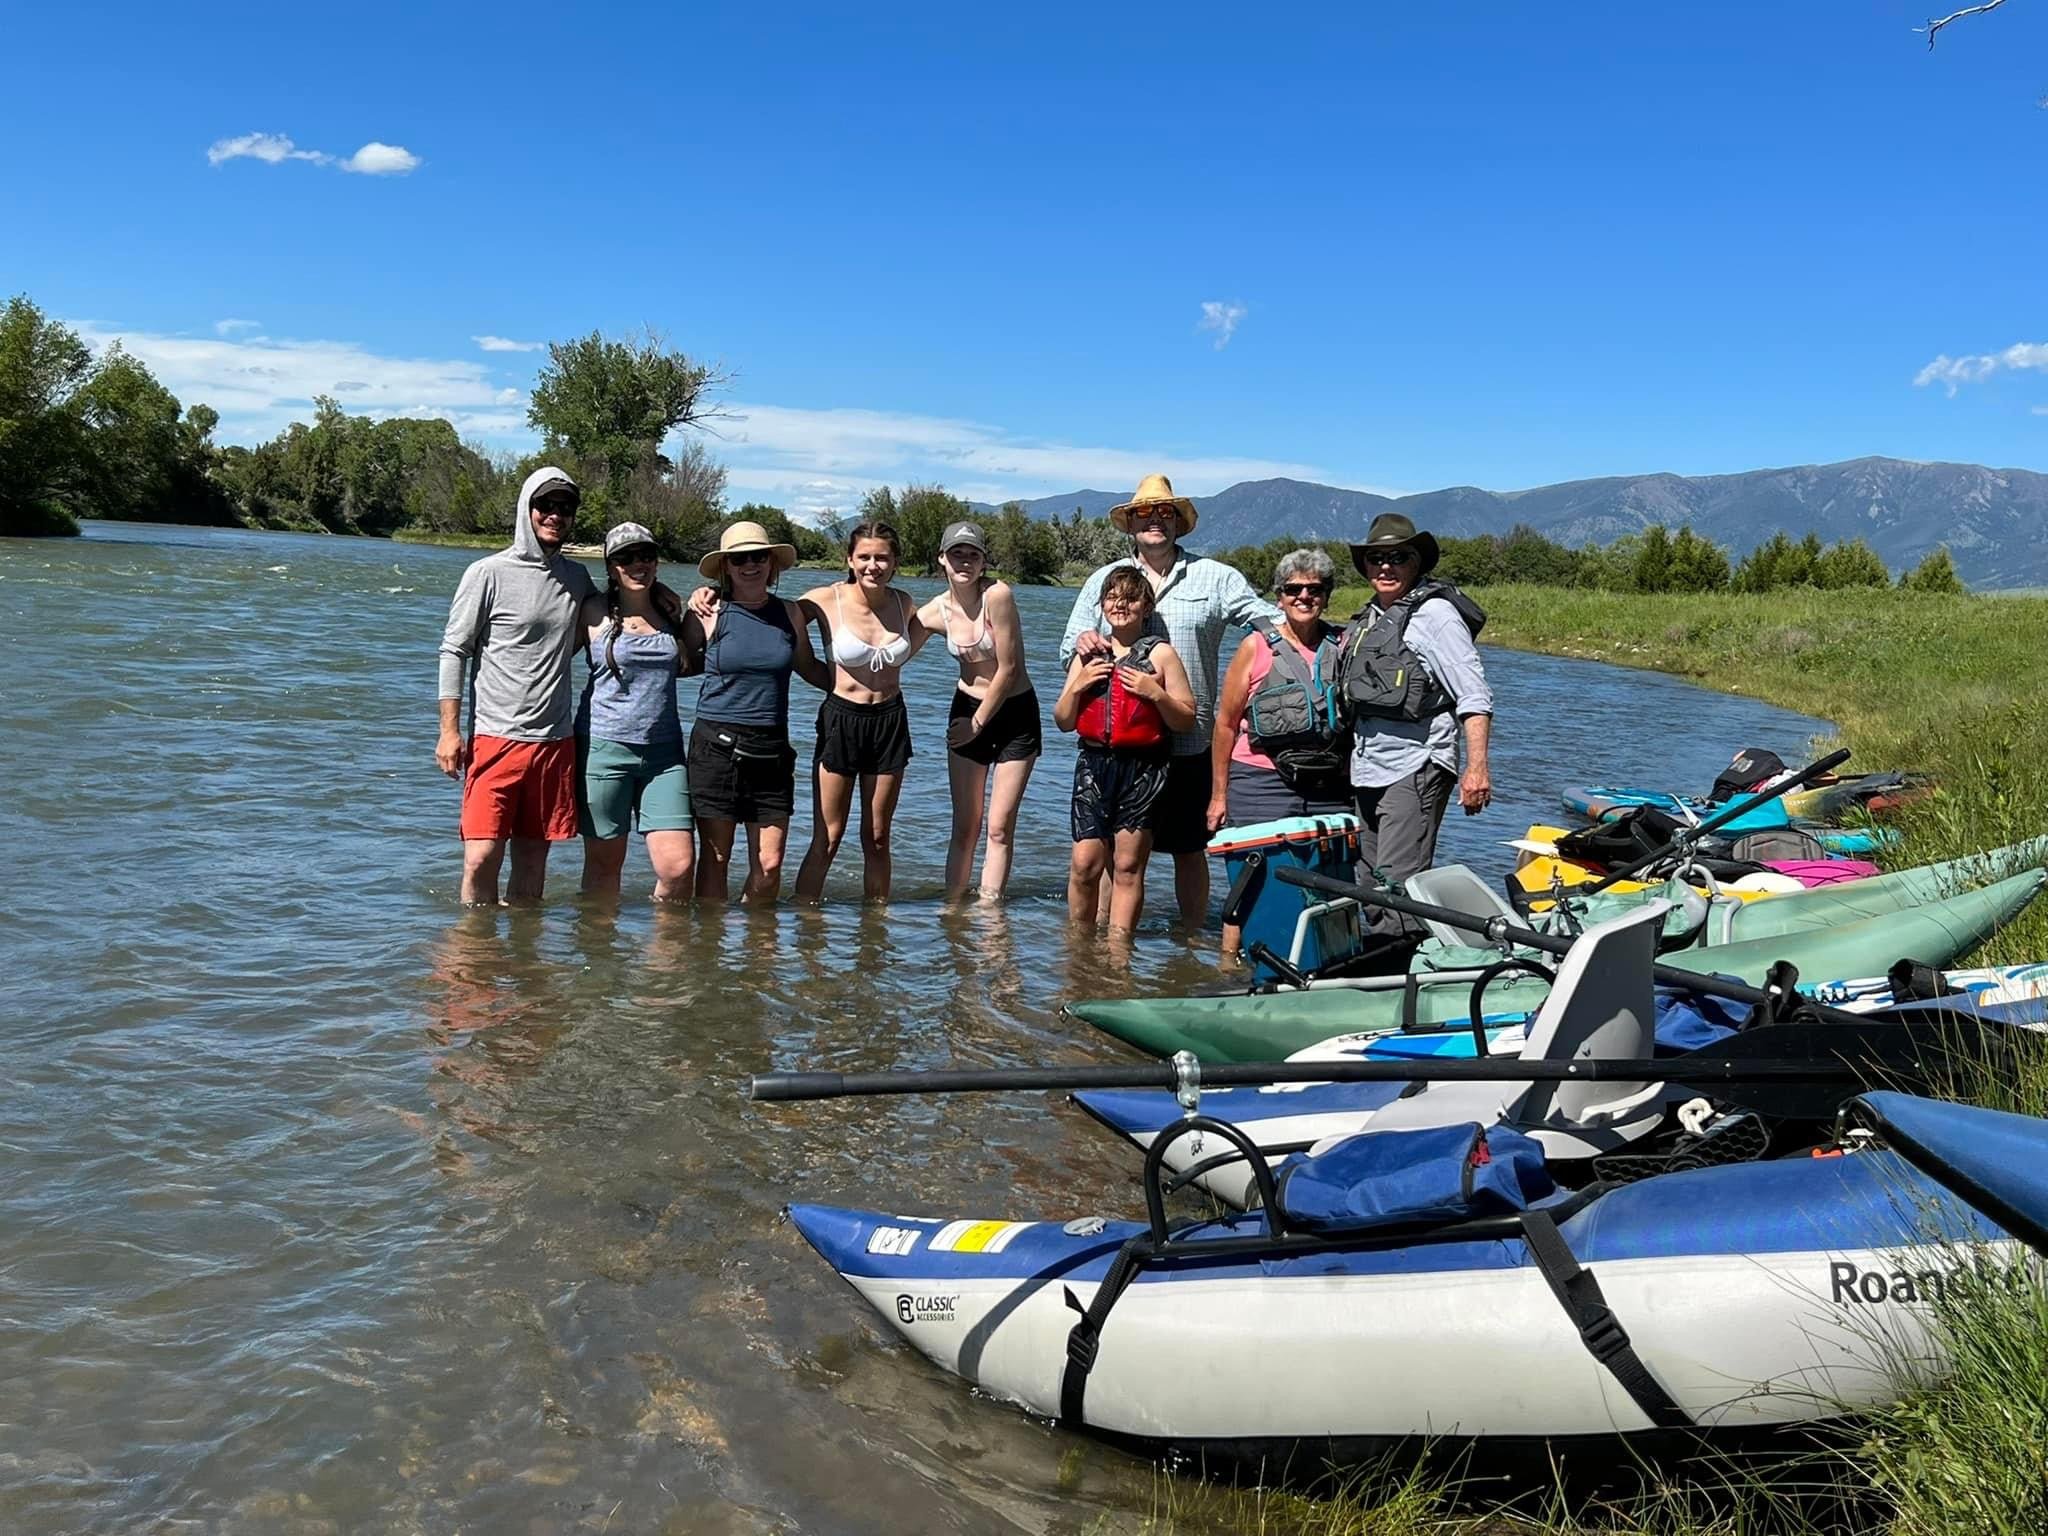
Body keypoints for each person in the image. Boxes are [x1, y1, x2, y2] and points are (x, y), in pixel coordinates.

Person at [1060, 473, 1279, 927]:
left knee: (1188, 849)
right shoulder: (1105, 581)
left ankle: (1191, 941)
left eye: (1164, 512)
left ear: (1179, 522)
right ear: (1131, 523)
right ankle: (1095, 953)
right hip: (1119, 749)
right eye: (1145, 512)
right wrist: (1084, 641)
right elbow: (1069, 652)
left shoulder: (1216, 578)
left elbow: (1271, 626)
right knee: (1104, 857)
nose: (1155, 520)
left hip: (1188, 742)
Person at [436, 466, 598, 905]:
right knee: (480, 856)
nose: (555, 515)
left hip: (554, 741)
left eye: (565, 508)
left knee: (532, 860)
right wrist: (450, 732)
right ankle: (474, 954)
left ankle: (525, 962)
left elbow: (617, 613)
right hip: (495, 737)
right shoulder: (486, 573)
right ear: (526, 509)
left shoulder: (578, 579)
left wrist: (679, 600)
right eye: (545, 505)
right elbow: (454, 650)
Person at [1339, 512, 1494, 920]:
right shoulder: (1371, 616)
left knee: (1399, 888)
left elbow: (1475, 696)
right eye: (1377, 558)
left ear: (1417, 563)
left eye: (1399, 557)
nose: (1386, 566)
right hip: (1368, 768)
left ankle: (1407, 973)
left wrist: (1476, 769)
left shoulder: (1437, 616)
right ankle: (1370, 971)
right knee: (1369, 887)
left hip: (1416, 766)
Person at [1206, 547, 1352, 955]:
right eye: (1293, 589)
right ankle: (1230, 965)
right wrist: (1219, 796)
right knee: (1250, 878)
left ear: (1327, 594)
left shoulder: (1342, 645)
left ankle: (1316, 961)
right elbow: (1225, 724)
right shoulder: (1254, 647)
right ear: (1279, 595)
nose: (1304, 597)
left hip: (1328, 786)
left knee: (1327, 879)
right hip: (1259, 782)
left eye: (1315, 589)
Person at [684, 520, 831, 904]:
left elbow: (809, 667)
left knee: (769, 865)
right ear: (726, 567)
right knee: (715, 858)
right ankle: (711, 951)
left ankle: (757, 956)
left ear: (771, 563)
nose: (750, 564)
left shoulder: (790, 613)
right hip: (715, 749)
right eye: (739, 558)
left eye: (758, 556)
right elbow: (676, 660)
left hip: (771, 750)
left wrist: (866, 687)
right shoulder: (708, 610)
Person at [1053, 567, 1198, 934]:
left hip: (1143, 769)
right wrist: (1078, 685)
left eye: (1131, 599)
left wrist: (1155, 693)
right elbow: (1063, 720)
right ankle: (1079, 943)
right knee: (1085, 862)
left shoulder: (1161, 655)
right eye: (1113, 598)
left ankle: (1119, 953)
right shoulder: (1087, 655)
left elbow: (1185, 718)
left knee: (1128, 866)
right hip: (1094, 764)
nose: (1121, 605)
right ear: (1101, 605)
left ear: (1146, 606)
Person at [793, 521, 932, 902]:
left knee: (877, 837)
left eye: (882, 558)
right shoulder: (824, 599)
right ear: (850, 560)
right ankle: (805, 922)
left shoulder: (905, 604)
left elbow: (953, 615)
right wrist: (815, 672)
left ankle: (876, 930)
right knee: (829, 836)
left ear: (895, 562)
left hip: (889, 721)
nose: (873, 565)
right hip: (841, 719)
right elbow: (777, 620)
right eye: (865, 557)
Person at [916, 520, 1041, 900]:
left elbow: (1009, 668)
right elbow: (893, 649)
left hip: (1014, 712)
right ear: (942, 559)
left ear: (984, 562)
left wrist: (977, 724)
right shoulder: (935, 612)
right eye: (957, 553)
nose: (965, 561)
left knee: (999, 826)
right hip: (966, 707)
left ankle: (989, 912)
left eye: (973, 554)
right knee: (965, 825)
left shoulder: (997, 596)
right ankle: (952, 907)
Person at [575, 522, 694, 902]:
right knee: (604, 868)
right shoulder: (591, 611)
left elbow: (703, 657)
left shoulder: (674, 610)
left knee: (678, 868)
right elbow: (548, 659)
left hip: (665, 755)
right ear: (612, 567)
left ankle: (662, 958)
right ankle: (599, 953)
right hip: (603, 750)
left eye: (645, 556)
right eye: (625, 558)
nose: (637, 564)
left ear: (657, 563)